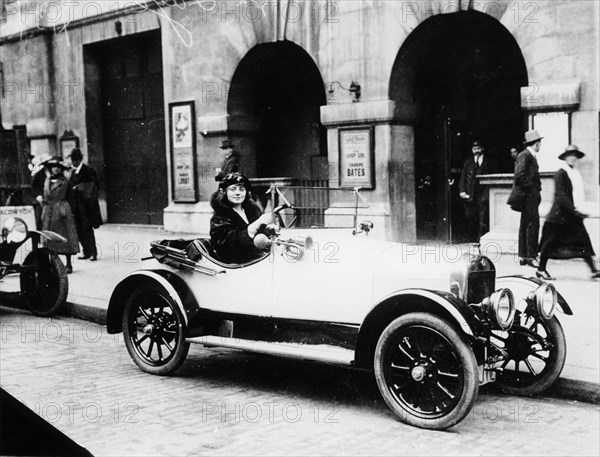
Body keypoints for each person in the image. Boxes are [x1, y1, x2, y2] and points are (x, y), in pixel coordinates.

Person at [536, 145, 600, 280]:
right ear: (565, 158)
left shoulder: (575, 173)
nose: (572, 158)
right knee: (549, 244)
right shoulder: (561, 173)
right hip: (558, 217)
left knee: (583, 243)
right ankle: (541, 269)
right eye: (570, 155)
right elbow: (561, 196)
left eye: (575, 155)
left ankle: (594, 270)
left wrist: (578, 211)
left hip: (571, 216)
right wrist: (574, 211)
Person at [210, 172, 273, 264]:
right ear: (224, 192)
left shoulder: (252, 210)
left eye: (241, 189)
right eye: (233, 189)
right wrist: (254, 227)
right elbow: (226, 246)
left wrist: (269, 230)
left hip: (260, 260)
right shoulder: (219, 218)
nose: (237, 193)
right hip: (238, 265)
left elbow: (261, 237)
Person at [507, 129, 543, 267]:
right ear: (537, 143)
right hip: (528, 197)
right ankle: (530, 257)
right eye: (540, 143)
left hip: (529, 197)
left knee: (525, 225)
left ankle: (524, 256)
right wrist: (533, 189)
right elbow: (519, 176)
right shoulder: (526, 156)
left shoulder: (528, 155)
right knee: (532, 226)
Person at [40, 156, 80, 273]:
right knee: (49, 238)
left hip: (61, 210)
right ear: (50, 169)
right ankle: (53, 264)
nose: (55, 170)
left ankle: (68, 264)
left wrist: (67, 211)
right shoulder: (47, 180)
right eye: (53, 167)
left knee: (64, 237)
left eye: (58, 167)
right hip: (48, 211)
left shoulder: (65, 181)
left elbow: (71, 197)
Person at [458, 139, 496, 240]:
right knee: (470, 218)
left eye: (478, 148)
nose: (477, 151)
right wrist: (462, 190)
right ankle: (472, 239)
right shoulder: (468, 162)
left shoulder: (489, 162)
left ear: (482, 149)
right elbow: (463, 177)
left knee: (482, 218)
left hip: (483, 194)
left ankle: (481, 240)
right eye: (474, 149)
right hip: (470, 195)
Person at [68, 148, 102, 261]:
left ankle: (93, 253)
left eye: (76, 160)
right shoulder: (73, 172)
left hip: (86, 206)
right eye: (73, 160)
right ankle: (86, 251)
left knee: (87, 228)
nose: (74, 162)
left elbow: (95, 185)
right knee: (78, 229)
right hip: (76, 206)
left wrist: (80, 187)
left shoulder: (88, 170)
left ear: (80, 159)